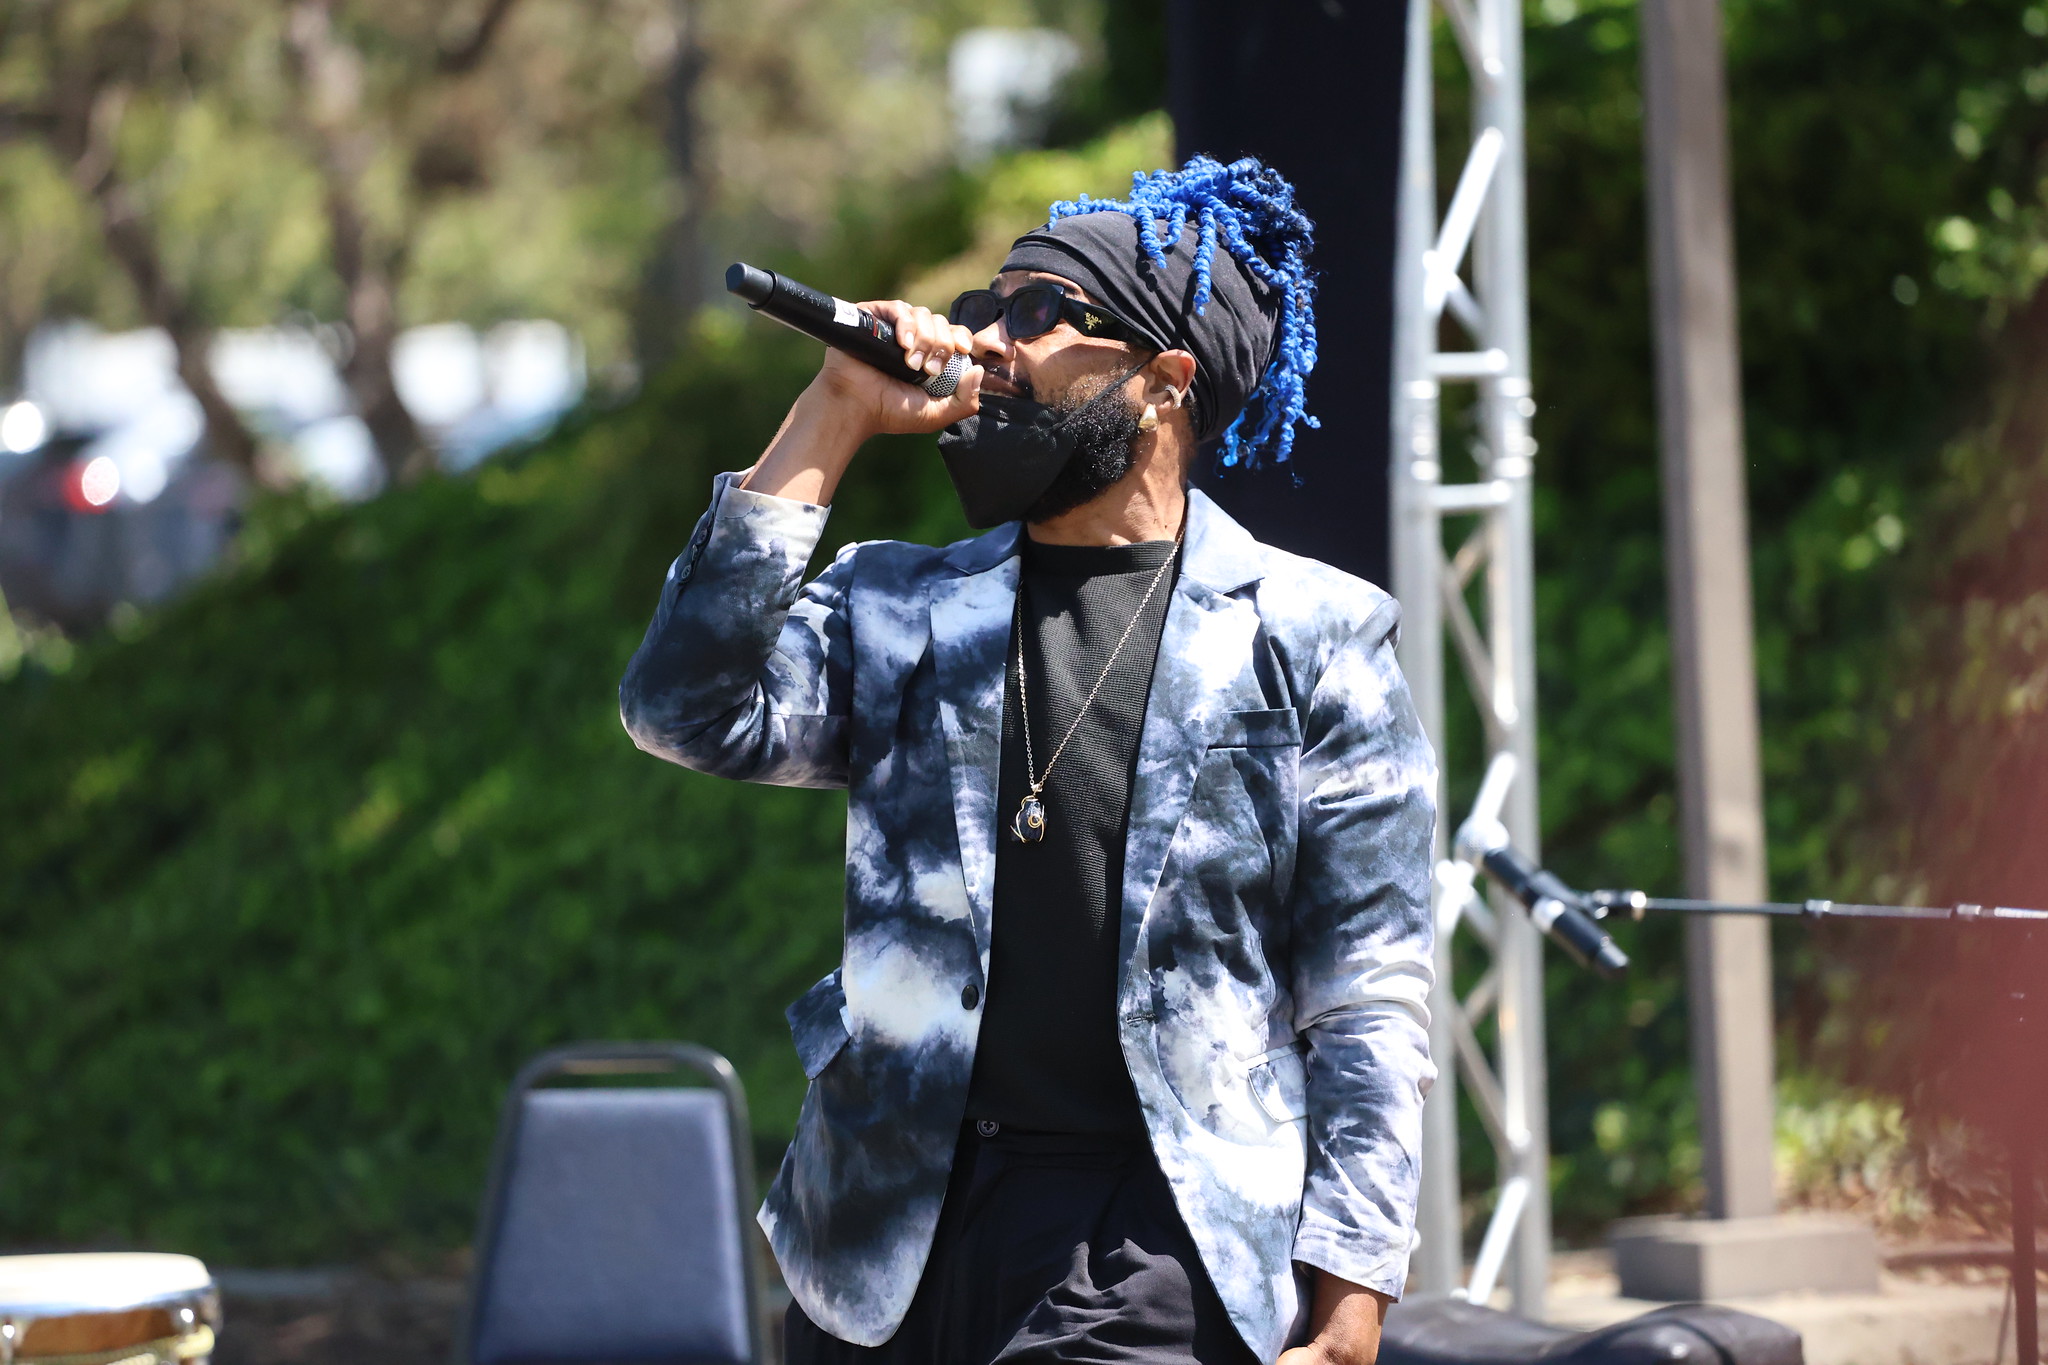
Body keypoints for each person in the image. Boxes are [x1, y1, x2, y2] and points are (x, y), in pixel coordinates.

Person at [620, 156, 1436, 1365]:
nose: (989, 341)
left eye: (1041, 313)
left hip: (1148, 1237)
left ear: (1162, 383)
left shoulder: (1309, 638)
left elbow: (1367, 995)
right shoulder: (899, 604)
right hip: (885, 1232)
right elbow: (684, 708)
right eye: (991, 305)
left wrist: (1349, 1303)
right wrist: (835, 407)